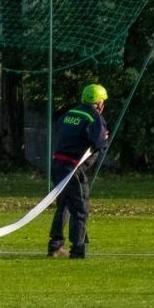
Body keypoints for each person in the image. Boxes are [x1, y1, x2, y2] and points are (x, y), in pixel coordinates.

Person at [47, 83, 110, 260]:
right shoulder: (94, 117)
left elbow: (64, 130)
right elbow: (99, 142)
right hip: (74, 170)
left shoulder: (71, 113)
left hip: (58, 165)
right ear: (98, 103)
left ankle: (55, 246)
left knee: (64, 205)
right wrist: (104, 138)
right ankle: (77, 250)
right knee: (80, 209)